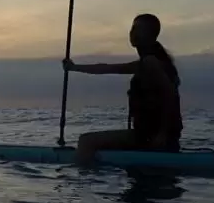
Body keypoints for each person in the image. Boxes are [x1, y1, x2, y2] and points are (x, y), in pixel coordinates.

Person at [62, 13, 182, 166]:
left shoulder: (151, 62)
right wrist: (74, 67)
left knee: (86, 141)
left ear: (152, 35)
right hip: (148, 135)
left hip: (150, 137)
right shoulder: (145, 63)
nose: (132, 32)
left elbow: (171, 96)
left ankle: (78, 184)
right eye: (132, 28)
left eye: (138, 28)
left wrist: (162, 134)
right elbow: (108, 68)